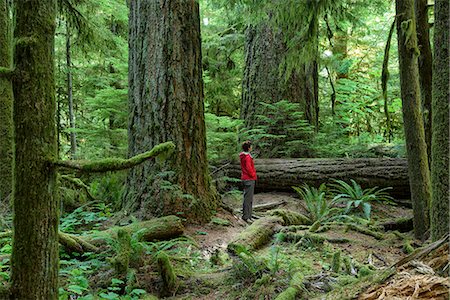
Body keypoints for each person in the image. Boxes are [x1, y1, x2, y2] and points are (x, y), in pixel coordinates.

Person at [239, 140, 257, 223]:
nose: (252, 148)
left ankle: (249, 216)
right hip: (249, 179)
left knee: (248, 198)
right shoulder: (247, 157)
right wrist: (253, 175)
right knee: (248, 199)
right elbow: (249, 168)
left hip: (245, 178)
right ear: (249, 148)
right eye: (251, 146)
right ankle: (246, 217)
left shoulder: (244, 156)